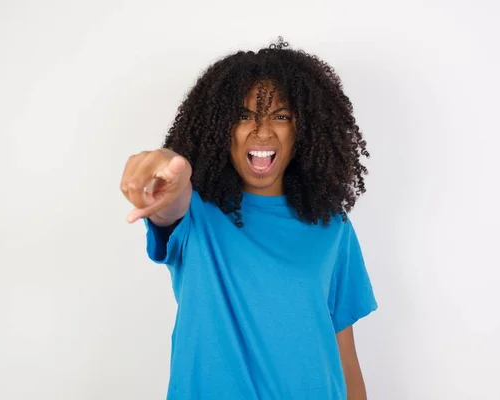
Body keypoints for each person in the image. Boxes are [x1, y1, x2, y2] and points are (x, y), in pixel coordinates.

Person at [120, 38, 378, 400]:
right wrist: (159, 173)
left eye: (281, 116)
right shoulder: (196, 215)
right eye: (244, 116)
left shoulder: (332, 227)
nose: (262, 131)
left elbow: (344, 355)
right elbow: (168, 207)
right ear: (220, 128)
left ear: (303, 130)